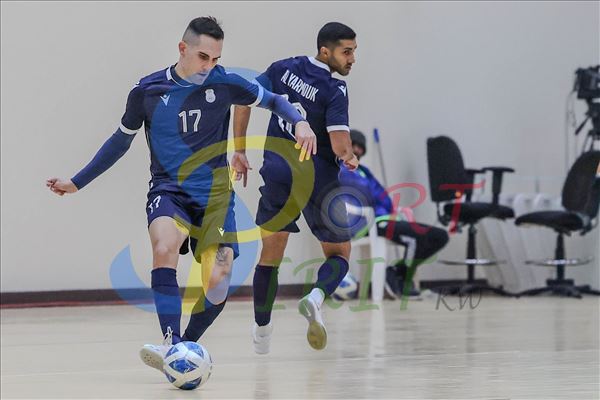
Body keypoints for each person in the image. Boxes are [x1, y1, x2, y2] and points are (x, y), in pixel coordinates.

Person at [46, 16, 317, 372]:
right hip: (169, 191)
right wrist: (77, 182)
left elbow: (275, 101)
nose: (209, 66)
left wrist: (300, 121)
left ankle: (183, 348)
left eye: (216, 59)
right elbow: (120, 142)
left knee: (218, 285)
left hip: (215, 198)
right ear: (182, 49)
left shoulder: (225, 83)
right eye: (203, 57)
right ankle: (171, 341)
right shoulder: (147, 91)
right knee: (164, 247)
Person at [232, 22, 359, 353]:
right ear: (325, 51)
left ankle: (262, 333)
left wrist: (240, 150)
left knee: (270, 256)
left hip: (277, 172)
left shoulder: (282, 68)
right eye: (346, 52)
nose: (352, 59)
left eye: (354, 52)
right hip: (318, 179)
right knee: (339, 253)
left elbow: (243, 100)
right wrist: (349, 157)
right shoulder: (335, 88)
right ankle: (316, 297)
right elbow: (339, 144)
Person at [338, 129, 449, 298]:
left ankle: (396, 272)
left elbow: (382, 197)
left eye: (361, 147)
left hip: (384, 220)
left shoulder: (364, 172)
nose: (358, 150)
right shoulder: (339, 169)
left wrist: (394, 211)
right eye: (354, 145)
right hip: (364, 224)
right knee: (415, 239)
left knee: (439, 236)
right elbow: (358, 197)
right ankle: (403, 279)